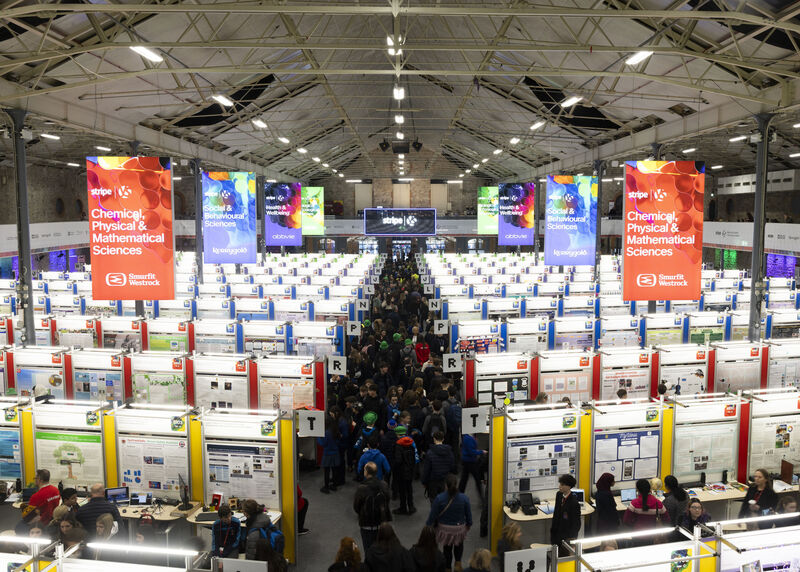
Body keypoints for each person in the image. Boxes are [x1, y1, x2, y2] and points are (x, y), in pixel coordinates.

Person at [426, 474, 472, 572]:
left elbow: (432, 515)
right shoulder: (464, 498)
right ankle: (458, 565)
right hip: (459, 528)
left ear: (445, 485)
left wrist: (428, 525)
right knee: (459, 546)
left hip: (444, 529)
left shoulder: (439, 498)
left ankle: (447, 568)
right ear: (457, 484)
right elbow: (468, 516)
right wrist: (468, 525)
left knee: (447, 549)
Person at [353, 462, 392, 551]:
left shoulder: (361, 488)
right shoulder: (384, 485)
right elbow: (387, 500)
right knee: (381, 549)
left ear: (366, 472)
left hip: (366, 524)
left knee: (368, 550)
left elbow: (356, 506)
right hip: (381, 523)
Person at [551, 474, 581, 556]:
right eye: (560, 484)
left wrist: (571, 541)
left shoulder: (574, 503)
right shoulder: (559, 495)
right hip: (556, 533)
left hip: (566, 537)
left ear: (569, 486)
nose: (560, 486)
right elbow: (556, 513)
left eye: (562, 485)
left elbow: (576, 524)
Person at [422, 431, 455, 503]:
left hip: (433, 481)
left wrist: (424, 482)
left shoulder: (430, 453)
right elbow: (452, 467)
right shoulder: (449, 452)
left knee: (434, 501)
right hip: (445, 480)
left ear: (434, 439)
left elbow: (426, 469)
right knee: (445, 501)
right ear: (443, 439)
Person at [392, 425, 418, 515]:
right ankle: (411, 506)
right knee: (409, 489)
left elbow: (398, 460)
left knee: (402, 490)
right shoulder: (411, 442)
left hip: (401, 471)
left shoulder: (398, 444)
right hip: (410, 470)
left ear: (398, 434)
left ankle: (403, 508)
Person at [319, 414, 343, 494]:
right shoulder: (336, 431)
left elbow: (323, 443)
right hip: (335, 453)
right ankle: (334, 486)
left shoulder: (326, 433)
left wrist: (318, 437)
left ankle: (326, 487)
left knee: (326, 471)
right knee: (334, 470)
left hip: (327, 454)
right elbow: (339, 442)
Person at [459, 431, 485, 497]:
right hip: (470, 461)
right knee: (476, 478)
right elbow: (471, 452)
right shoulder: (468, 438)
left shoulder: (468, 437)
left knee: (464, 479)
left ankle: (459, 495)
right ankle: (481, 496)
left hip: (467, 461)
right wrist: (481, 452)